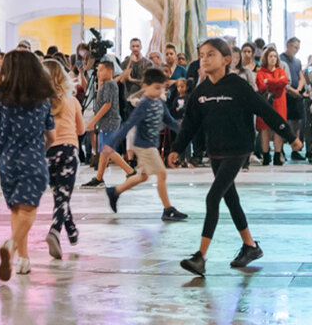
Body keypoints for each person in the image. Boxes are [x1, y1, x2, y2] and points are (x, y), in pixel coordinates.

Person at [170, 38, 297, 277]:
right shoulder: (201, 91)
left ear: (226, 60)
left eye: (211, 55)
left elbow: (265, 110)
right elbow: (189, 125)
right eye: (202, 55)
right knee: (231, 199)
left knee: (212, 197)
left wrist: (290, 135)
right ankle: (250, 246)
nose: (205, 59)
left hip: (238, 150)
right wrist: (176, 149)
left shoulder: (237, 86)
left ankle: (200, 257)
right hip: (216, 151)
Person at [0, 50, 55, 280]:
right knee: (29, 209)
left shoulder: (0, 98)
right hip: (32, 158)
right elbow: (51, 135)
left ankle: (23, 259)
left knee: (17, 209)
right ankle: (10, 246)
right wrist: (45, 148)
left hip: (6, 160)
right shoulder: (42, 99)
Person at [100, 68, 189, 221]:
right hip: (144, 146)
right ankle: (168, 209)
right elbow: (129, 125)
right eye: (156, 88)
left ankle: (115, 192)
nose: (159, 91)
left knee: (143, 176)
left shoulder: (159, 102)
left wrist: (185, 132)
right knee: (162, 173)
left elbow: (170, 121)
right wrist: (112, 143)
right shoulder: (143, 104)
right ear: (145, 86)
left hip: (151, 145)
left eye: (161, 88)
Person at [40, 59, 85, 259]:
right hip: (68, 151)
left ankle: (72, 230)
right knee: (64, 196)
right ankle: (55, 231)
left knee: (60, 196)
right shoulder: (72, 101)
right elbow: (81, 130)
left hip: (48, 153)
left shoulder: (41, 104)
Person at [81, 60, 126, 188]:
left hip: (109, 121)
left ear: (110, 71)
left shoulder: (109, 85)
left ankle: (130, 171)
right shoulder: (107, 85)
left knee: (107, 150)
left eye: (101, 70)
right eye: (97, 70)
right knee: (103, 151)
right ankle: (99, 177)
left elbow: (107, 104)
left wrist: (93, 121)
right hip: (107, 122)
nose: (98, 73)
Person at [256, 48, 290, 166]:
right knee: (264, 129)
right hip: (265, 103)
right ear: (266, 58)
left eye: (275, 56)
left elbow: (284, 82)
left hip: (279, 102)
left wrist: (268, 82)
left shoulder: (281, 70)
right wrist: (275, 82)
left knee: (279, 128)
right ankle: (266, 156)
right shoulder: (261, 71)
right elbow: (260, 86)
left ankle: (277, 154)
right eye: (270, 56)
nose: (273, 59)